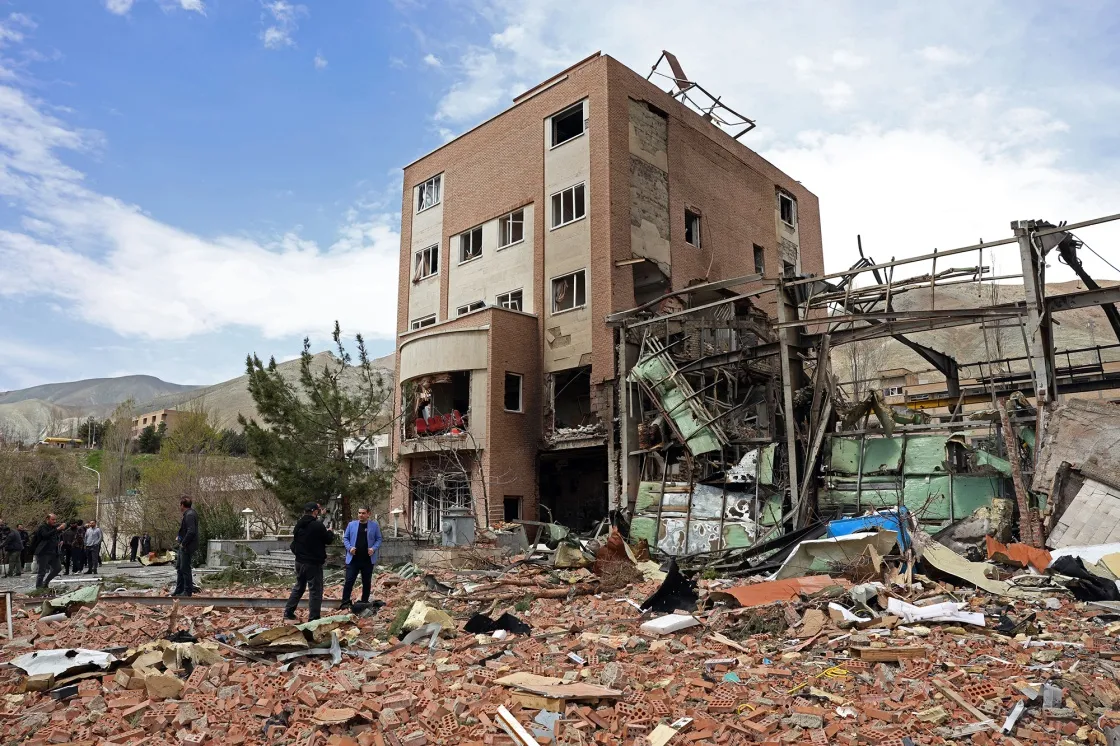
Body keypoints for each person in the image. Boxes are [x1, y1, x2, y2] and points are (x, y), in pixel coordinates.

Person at [284, 502, 335, 622]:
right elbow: (327, 540)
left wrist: (322, 518)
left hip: (299, 562)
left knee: (299, 587)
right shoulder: (317, 526)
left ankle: (288, 611)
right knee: (315, 591)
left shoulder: (299, 525)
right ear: (315, 512)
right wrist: (330, 532)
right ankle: (313, 619)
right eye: (318, 511)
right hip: (312, 564)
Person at [340, 506, 382, 609]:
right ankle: (345, 602)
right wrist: (350, 548)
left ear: (368, 514)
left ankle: (364, 602)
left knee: (366, 582)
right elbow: (346, 538)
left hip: (367, 559)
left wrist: (373, 548)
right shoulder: (351, 525)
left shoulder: (374, 526)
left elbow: (379, 539)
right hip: (353, 559)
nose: (361, 515)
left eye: (363, 513)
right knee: (349, 581)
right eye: (359, 513)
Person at [173, 497, 199, 597]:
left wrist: (183, 543)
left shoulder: (190, 515)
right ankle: (178, 590)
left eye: (180, 505)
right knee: (179, 567)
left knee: (185, 568)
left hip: (187, 546)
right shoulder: (188, 514)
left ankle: (187, 591)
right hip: (183, 545)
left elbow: (191, 531)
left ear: (182, 505)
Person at [31, 514, 62, 589]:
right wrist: (57, 529)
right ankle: (38, 587)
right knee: (42, 571)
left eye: (55, 519)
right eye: (52, 519)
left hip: (54, 552)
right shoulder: (43, 527)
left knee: (58, 568)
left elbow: (57, 535)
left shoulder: (54, 527)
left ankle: (46, 582)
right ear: (47, 519)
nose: (54, 521)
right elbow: (45, 535)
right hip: (44, 552)